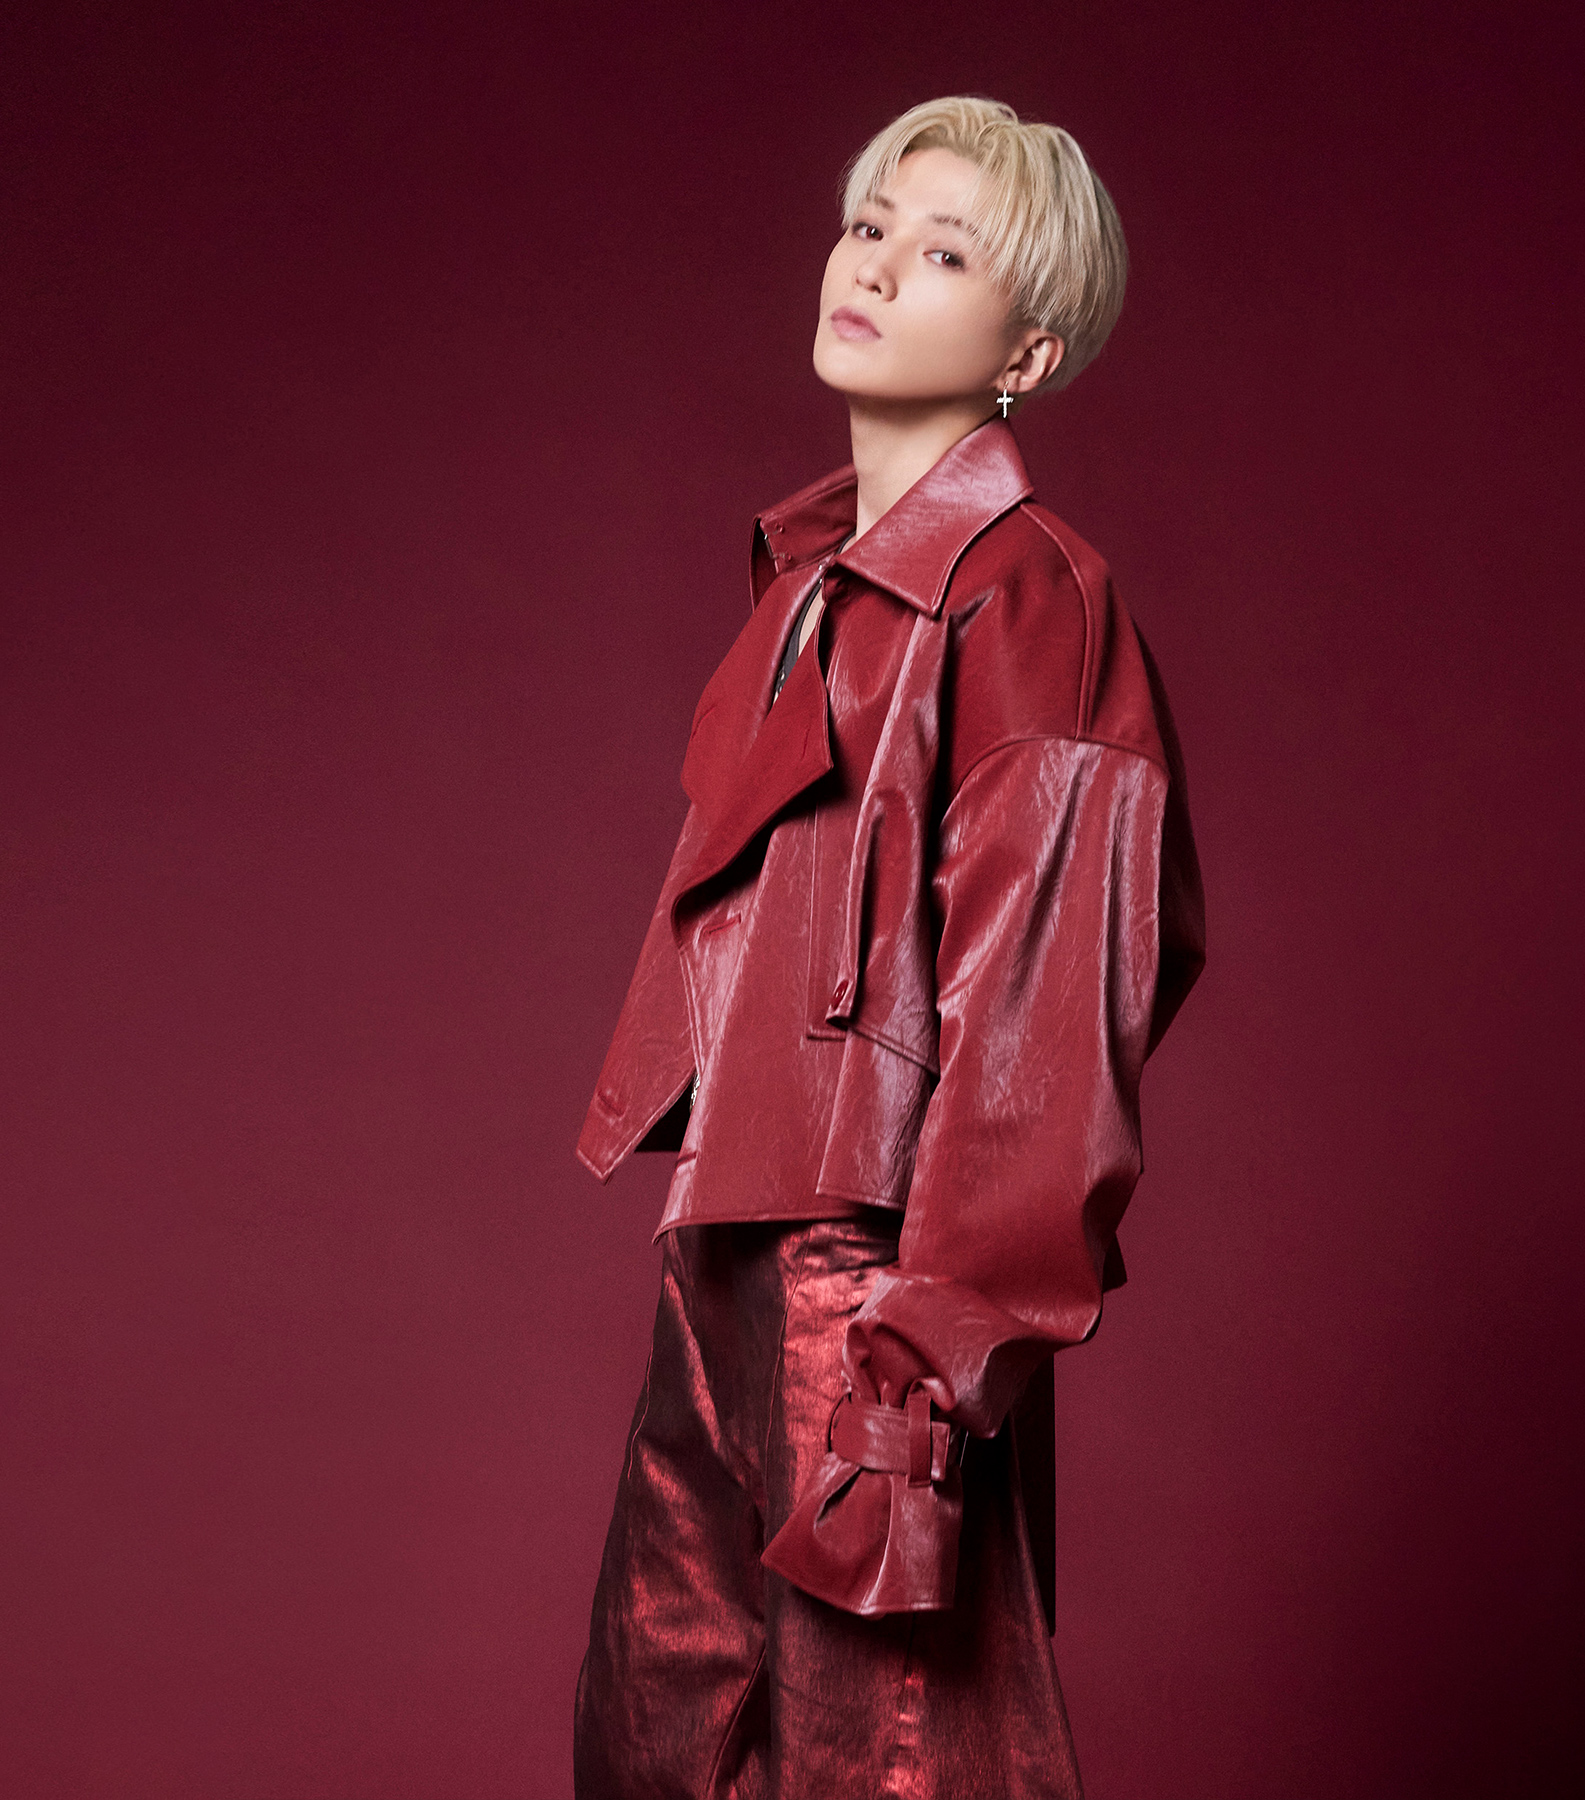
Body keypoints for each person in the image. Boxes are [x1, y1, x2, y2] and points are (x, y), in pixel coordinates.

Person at [571, 95, 1205, 1800]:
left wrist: (922, 1378)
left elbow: (1051, 1024)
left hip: (875, 1289)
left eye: (944, 254)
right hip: (725, 1253)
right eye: (870, 226)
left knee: (891, 1764)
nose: (874, 264)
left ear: (1028, 351)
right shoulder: (808, 591)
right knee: (652, 1746)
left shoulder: (1032, 599)